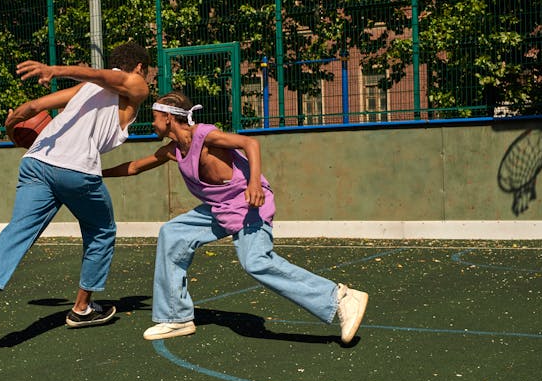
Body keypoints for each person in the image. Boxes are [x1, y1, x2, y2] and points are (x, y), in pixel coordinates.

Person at [102, 91, 368, 344]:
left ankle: (340, 297)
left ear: (169, 117)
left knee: (255, 261)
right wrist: (96, 172)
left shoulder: (205, 136)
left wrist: (254, 183)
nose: (152, 122)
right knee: (173, 233)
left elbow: (249, 143)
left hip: (249, 203)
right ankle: (176, 317)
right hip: (219, 208)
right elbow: (135, 167)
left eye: (154, 116)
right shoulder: (172, 150)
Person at [0, 42, 151, 360]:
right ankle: (81, 309)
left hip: (36, 162)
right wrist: (56, 70)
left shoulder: (85, 89)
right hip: (75, 168)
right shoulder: (135, 83)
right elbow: (103, 76)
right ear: (139, 68)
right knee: (102, 231)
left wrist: (13, 129)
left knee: (17, 231)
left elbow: (31, 108)